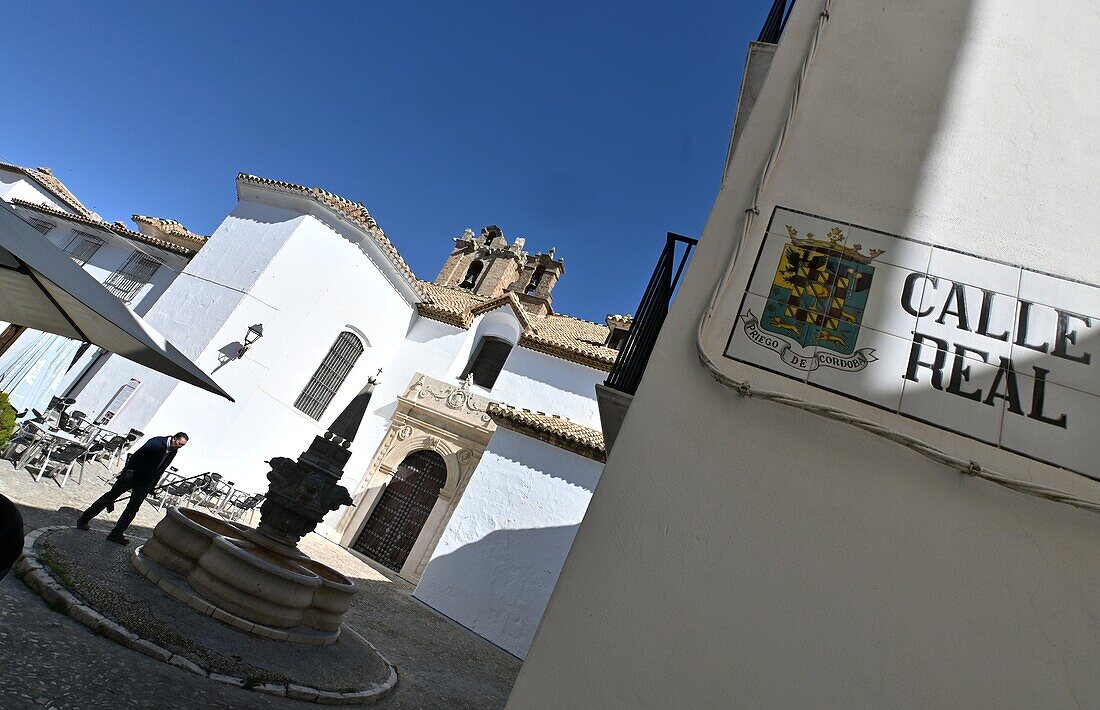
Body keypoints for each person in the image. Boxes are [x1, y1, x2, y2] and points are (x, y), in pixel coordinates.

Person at [76, 432, 188, 545]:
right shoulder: (156, 442)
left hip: (145, 482)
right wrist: (129, 472)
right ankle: (84, 519)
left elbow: (161, 468)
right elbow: (136, 456)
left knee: (133, 508)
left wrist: (152, 486)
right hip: (132, 476)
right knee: (109, 497)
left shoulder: (174, 451)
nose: (180, 446)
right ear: (174, 438)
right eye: (179, 443)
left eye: (182, 445)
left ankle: (116, 533)